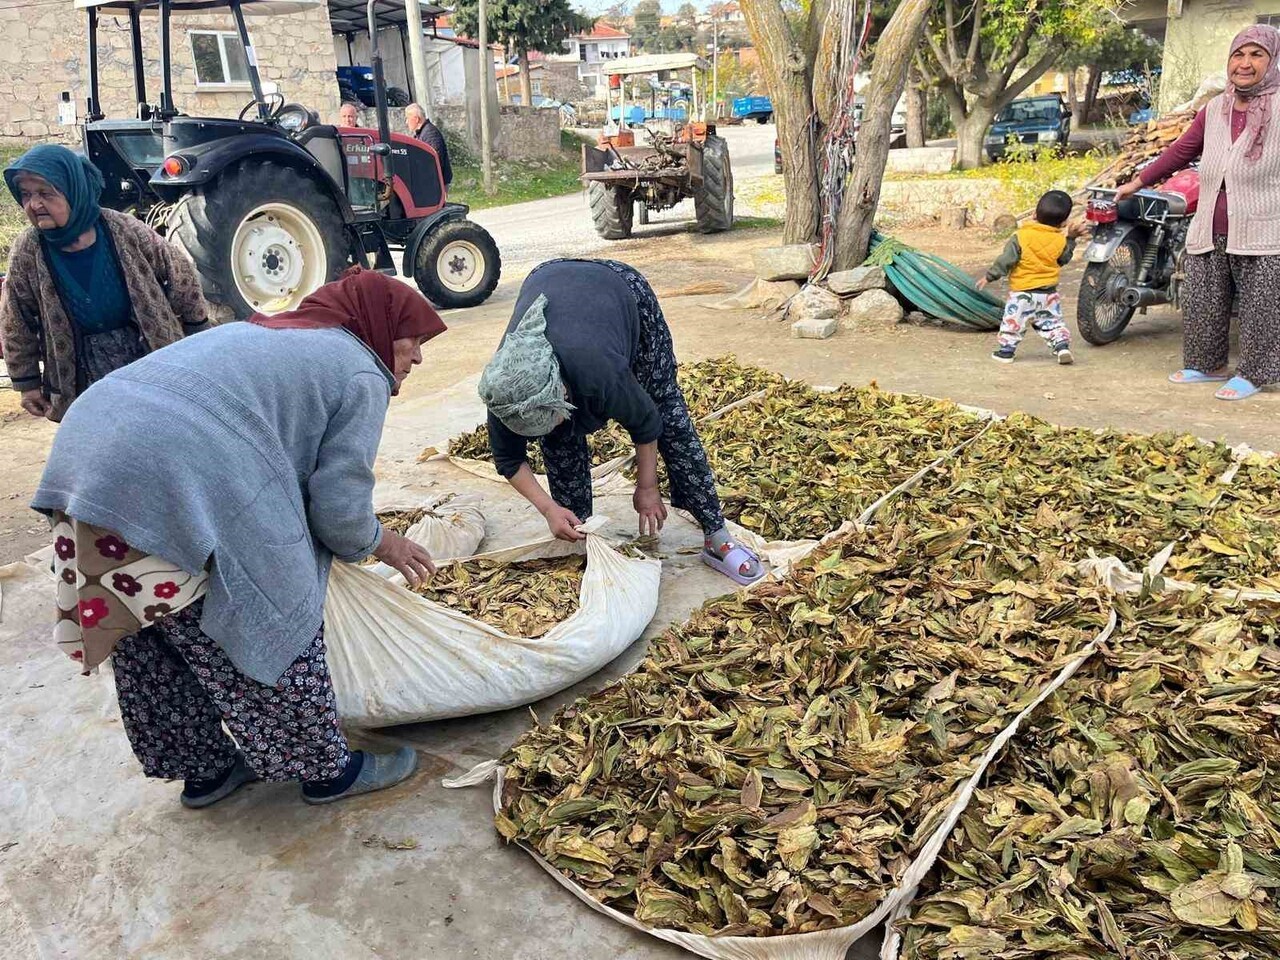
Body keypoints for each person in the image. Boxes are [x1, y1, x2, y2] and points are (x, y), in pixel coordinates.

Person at [31, 268, 445, 809]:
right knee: (259, 614)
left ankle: (206, 772)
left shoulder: (272, 331)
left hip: (84, 470)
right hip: (162, 476)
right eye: (412, 340)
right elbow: (339, 511)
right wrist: (380, 541)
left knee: (150, 634)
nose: (416, 358)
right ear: (379, 326)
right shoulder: (358, 370)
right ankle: (327, 771)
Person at [477, 258, 765, 585]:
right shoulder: (505, 389)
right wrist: (548, 508)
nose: (555, 427)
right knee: (559, 442)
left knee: (668, 412)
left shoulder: (599, 372)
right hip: (549, 280)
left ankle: (716, 535)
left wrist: (647, 486)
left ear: (562, 391)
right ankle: (583, 534)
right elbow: (509, 458)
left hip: (621, 289)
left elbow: (646, 422)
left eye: (554, 417)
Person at [1115, 25, 1280, 401]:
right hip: (1209, 222)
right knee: (1204, 297)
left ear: (1272, 62)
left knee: (1260, 305)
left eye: (1257, 55)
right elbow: (1180, 151)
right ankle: (1207, 365)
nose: (1245, 63)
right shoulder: (1216, 108)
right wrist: (1137, 181)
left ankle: (1253, 373)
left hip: (1265, 224)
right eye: (1239, 54)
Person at [0, 144, 210, 421]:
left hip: (145, 354)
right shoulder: (29, 250)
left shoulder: (123, 229)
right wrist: (27, 384)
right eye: (26, 195)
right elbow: (15, 319)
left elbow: (180, 275)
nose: (34, 204)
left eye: (45, 193)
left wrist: (198, 336)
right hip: (79, 371)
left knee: (160, 429)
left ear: (73, 190)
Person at [978, 190, 1089, 365]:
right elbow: (1063, 259)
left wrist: (990, 276)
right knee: (1053, 322)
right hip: (1048, 294)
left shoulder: (1021, 237)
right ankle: (1061, 346)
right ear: (1064, 222)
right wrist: (1071, 239)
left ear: (1034, 214)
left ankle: (1006, 352)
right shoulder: (1060, 241)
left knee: (1013, 322)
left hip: (1022, 293)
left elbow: (1006, 260)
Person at [405, 102, 453, 187]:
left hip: (436, 183)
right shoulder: (423, 133)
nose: (406, 122)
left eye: (407, 118)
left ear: (416, 119)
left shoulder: (430, 134)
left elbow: (434, 160)